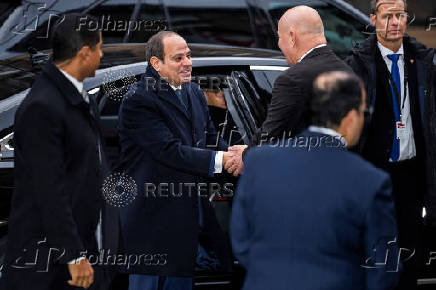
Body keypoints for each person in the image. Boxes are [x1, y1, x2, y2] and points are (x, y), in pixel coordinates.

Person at [231, 71, 400, 290]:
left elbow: (241, 240)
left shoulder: (259, 161)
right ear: (350, 119)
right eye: (363, 112)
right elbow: (385, 265)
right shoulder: (371, 181)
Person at [0, 13, 116, 290]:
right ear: (85, 53)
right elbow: (49, 190)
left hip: (70, 255)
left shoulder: (72, 96)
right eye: (99, 48)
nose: (101, 56)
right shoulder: (44, 106)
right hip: (49, 265)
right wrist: (74, 255)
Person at [117, 31, 235, 290]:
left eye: (189, 56)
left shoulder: (193, 91)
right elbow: (170, 151)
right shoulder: (140, 99)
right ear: (156, 64)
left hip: (186, 223)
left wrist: (238, 155)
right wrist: (223, 160)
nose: (188, 62)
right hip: (153, 228)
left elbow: (209, 137)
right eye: (178, 58)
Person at [345, 1, 436, 288]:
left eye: (401, 16)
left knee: (411, 255)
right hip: (373, 174)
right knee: (375, 257)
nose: (395, 22)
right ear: (373, 19)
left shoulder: (424, 61)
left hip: (412, 175)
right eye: (388, 16)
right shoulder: (358, 63)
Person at [226, 5, 352, 176]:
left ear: (292, 37)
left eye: (279, 37)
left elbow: (273, 132)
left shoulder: (293, 79)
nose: (279, 44)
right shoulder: (347, 71)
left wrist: (246, 155)